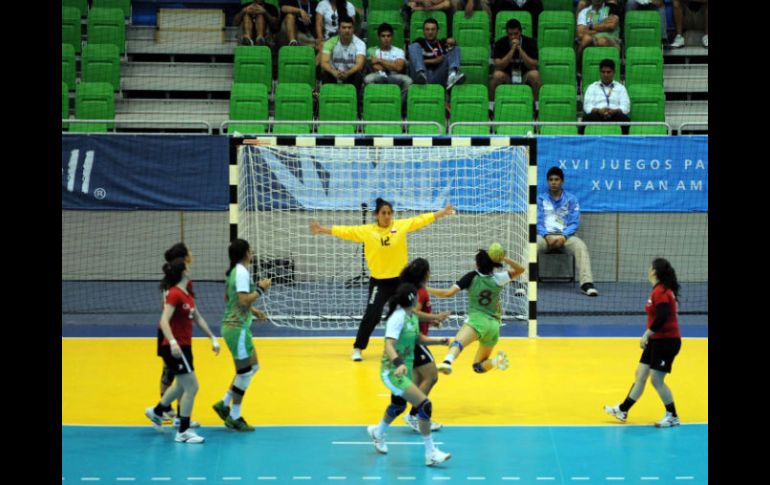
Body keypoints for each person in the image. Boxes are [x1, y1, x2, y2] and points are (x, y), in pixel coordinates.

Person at [309, 197, 456, 361]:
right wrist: (322, 229)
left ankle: (409, 345)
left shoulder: (399, 226)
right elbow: (345, 231)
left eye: (389, 213)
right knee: (372, 314)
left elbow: (420, 220)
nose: (387, 216)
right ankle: (358, 347)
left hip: (401, 282)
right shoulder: (367, 231)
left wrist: (441, 213)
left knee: (408, 314)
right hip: (379, 282)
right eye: (383, 213)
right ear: (376, 215)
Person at [366, 282, 452, 466]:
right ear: (413, 299)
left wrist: (440, 341)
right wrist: (398, 363)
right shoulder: (397, 318)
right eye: (418, 298)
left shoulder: (412, 316)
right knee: (425, 405)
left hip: (404, 370)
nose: (421, 300)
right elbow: (389, 344)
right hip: (392, 372)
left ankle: (378, 432)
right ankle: (431, 453)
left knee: (398, 406)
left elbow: (419, 339)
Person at [144, 258, 221, 444]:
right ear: (183, 271)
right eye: (187, 266)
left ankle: (157, 411)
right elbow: (164, 321)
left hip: (185, 345)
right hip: (175, 347)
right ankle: (183, 431)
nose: (190, 267)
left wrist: (212, 337)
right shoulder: (174, 294)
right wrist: (172, 342)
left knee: (180, 385)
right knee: (192, 386)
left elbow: (198, 317)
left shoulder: (187, 294)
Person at [604, 258, 683, 428]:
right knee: (640, 374)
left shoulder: (661, 292)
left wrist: (646, 334)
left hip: (667, 342)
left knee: (656, 379)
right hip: (656, 341)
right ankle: (623, 410)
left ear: (654, 271)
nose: (648, 270)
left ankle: (673, 415)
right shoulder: (658, 290)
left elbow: (662, 317)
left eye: (650, 267)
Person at [429, 250, 525, 375]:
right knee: (478, 366)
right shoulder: (499, 278)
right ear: (493, 263)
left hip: (477, 321)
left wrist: (425, 289)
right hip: (494, 326)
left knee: (457, 343)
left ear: (477, 264)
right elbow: (521, 269)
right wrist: (504, 258)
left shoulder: (471, 277)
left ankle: (447, 363)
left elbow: (448, 293)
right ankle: (496, 361)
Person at [212, 239, 272, 432]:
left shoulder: (234, 272)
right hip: (236, 329)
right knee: (245, 372)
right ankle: (235, 416)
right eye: (250, 250)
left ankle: (224, 402)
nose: (252, 252)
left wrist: (253, 311)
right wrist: (261, 288)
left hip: (239, 327)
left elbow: (232, 300)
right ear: (246, 253)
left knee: (253, 366)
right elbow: (242, 299)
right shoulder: (241, 272)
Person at [398, 258, 451, 432]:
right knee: (432, 376)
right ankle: (415, 416)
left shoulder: (413, 289)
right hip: (413, 340)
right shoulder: (421, 291)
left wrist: (431, 321)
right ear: (426, 274)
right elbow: (413, 312)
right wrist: (435, 317)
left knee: (418, 379)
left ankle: (400, 411)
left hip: (407, 338)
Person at [537, 166, 599, 296]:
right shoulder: (540, 199)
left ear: (562, 181)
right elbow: (538, 221)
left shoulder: (571, 199)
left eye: (557, 179)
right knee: (531, 246)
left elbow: (574, 223)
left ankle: (586, 284)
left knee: (580, 246)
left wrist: (564, 237)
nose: (553, 182)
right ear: (548, 182)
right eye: (550, 180)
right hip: (544, 237)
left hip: (566, 237)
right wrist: (546, 235)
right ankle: (523, 284)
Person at [156, 243, 199, 428]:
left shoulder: (176, 279)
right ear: (183, 258)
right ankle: (166, 411)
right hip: (171, 333)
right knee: (173, 373)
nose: (192, 252)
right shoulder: (177, 282)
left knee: (179, 375)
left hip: (175, 331)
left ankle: (176, 414)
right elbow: (166, 312)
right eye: (189, 250)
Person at [489, 18, 540, 111]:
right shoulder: (500, 43)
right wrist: (512, 50)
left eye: (516, 34)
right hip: (507, 76)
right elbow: (498, 65)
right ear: (507, 33)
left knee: (535, 75)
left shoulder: (530, 42)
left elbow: (533, 65)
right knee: (496, 75)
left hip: (525, 76)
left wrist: (520, 49)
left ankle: (537, 108)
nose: (513, 37)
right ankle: (491, 108)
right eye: (510, 34)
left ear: (520, 32)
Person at [408, 18, 465, 89]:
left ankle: (452, 76)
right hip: (422, 75)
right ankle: (421, 73)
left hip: (439, 75)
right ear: (423, 31)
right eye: (427, 29)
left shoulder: (443, 43)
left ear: (437, 31)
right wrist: (434, 61)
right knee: (413, 46)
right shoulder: (419, 42)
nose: (430, 32)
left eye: (433, 29)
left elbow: (453, 50)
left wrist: (454, 42)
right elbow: (411, 62)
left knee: (455, 48)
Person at [364, 22, 413, 102]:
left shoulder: (399, 51)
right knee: (368, 79)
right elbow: (376, 67)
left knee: (408, 81)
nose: (386, 38)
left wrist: (379, 60)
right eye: (383, 36)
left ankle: (398, 106)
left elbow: (399, 67)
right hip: (378, 75)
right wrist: (393, 64)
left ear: (392, 37)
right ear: (379, 37)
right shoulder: (372, 50)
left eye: (388, 36)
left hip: (395, 76)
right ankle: (376, 102)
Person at [581, 58, 630, 134]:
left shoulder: (621, 88)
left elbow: (626, 107)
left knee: (625, 120)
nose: (605, 75)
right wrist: (598, 110)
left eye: (608, 72)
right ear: (600, 72)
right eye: (603, 72)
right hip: (597, 115)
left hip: (615, 115)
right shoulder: (592, 87)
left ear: (614, 72)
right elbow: (587, 106)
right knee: (586, 119)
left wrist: (615, 111)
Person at [319, 15, 367, 91]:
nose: (347, 30)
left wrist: (347, 73)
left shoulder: (360, 44)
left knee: (358, 75)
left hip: (350, 74)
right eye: (344, 27)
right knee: (325, 74)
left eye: (349, 27)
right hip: (334, 74)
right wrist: (333, 72)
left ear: (353, 29)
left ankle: (355, 101)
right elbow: (324, 62)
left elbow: (359, 65)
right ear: (339, 29)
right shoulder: (329, 42)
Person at [576, 0, 621, 67]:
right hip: (592, 40)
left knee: (602, 41)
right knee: (586, 39)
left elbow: (611, 26)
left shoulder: (612, 8)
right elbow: (580, 34)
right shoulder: (584, 12)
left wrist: (590, 27)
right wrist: (603, 25)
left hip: (612, 41)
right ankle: (579, 70)